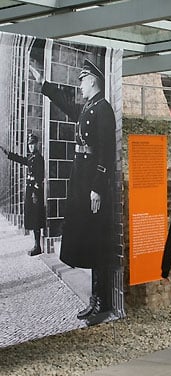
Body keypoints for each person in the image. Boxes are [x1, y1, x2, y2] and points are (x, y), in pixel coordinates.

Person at [30, 59, 116, 326]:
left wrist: (97, 188)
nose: (79, 87)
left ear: (93, 80)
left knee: (96, 241)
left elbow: (106, 151)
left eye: (82, 81)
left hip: (92, 181)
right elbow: (66, 105)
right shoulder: (89, 106)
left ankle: (101, 302)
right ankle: (94, 301)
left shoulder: (103, 109)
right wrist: (43, 84)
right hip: (81, 177)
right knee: (87, 238)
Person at [0, 133, 45, 256]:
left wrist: (35, 194)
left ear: (37, 144)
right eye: (29, 145)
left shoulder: (39, 158)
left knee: (36, 219)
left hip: (35, 193)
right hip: (30, 192)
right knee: (32, 217)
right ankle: (36, 245)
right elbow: (21, 159)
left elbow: (40, 177)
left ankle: (38, 246)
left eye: (33, 144)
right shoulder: (31, 158)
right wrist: (8, 153)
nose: (31, 147)